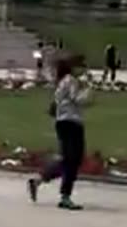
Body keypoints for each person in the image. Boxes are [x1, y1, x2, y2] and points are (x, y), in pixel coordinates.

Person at [28, 55, 91, 211]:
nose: (83, 70)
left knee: (69, 159)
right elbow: (78, 99)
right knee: (73, 160)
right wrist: (89, 88)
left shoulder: (62, 81)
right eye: (82, 66)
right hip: (72, 122)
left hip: (63, 122)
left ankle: (40, 179)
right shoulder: (71, 80)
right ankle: (65, 196)